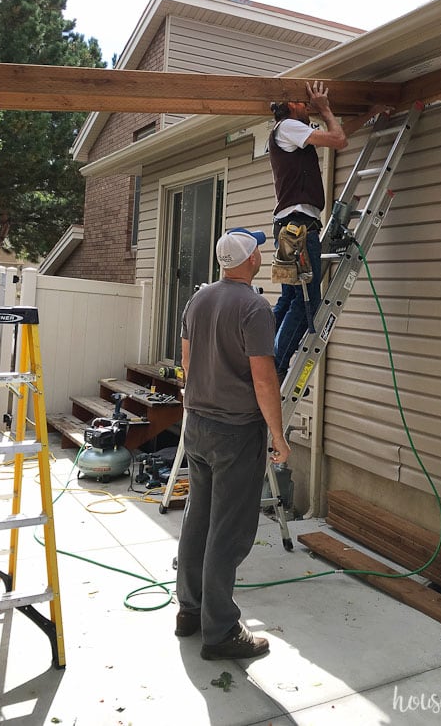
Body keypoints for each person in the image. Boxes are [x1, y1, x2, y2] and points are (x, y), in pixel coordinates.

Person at [174, 227, 290, 660]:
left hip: (198, 424)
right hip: (236, 431)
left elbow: (186, 361)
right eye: (258, 249)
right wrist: (277, 436)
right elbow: (263, 378)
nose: (263, 253)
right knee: (229, 529)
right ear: (249, 260)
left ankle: (190, 610)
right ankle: (220, 630)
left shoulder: (199, 299)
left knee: (198, 519)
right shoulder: (255, 307)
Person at [269, 80, 390, 379]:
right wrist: (325, 108)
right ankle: (276, 368)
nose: (308, 104)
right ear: (289, 105)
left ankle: (265, 360)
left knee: (289, 298)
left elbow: (339, 134)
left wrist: (371, 113)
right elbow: (339, 140)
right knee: (304, 301)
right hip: (299, 229)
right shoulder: (287, 126)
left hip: (289, 229)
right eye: (302, 100)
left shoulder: (293, 132)